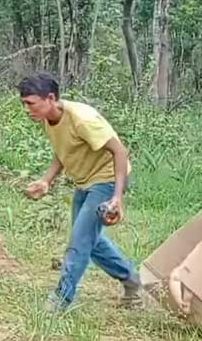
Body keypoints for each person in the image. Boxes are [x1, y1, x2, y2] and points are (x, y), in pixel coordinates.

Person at [19, 73, 143, 310]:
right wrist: (47, 181)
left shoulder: (82, 119)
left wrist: (117, 197)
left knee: (80, 240)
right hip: (84, 181)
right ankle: (131, 280)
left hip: (107, 179)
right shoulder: (48, 118)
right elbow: (63, 150)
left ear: (51, 98)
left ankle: (61, 299)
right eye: (24, 103)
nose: (27, 109)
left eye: (31, 103)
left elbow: (120, 152)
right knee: (90, 242)